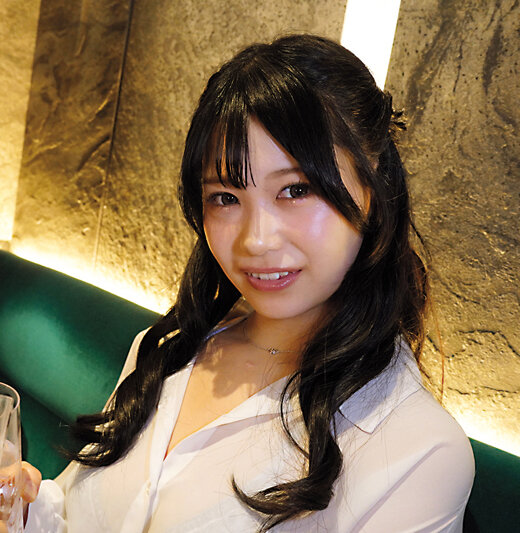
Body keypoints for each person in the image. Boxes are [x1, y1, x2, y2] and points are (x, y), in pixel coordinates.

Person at [23, 35, 475, 532]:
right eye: (225, 197)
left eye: (296, 190)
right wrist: (19, 505)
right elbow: (76, 512)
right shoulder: (169, 350)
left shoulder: (418, 452)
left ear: (374, 191)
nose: (256, 240)